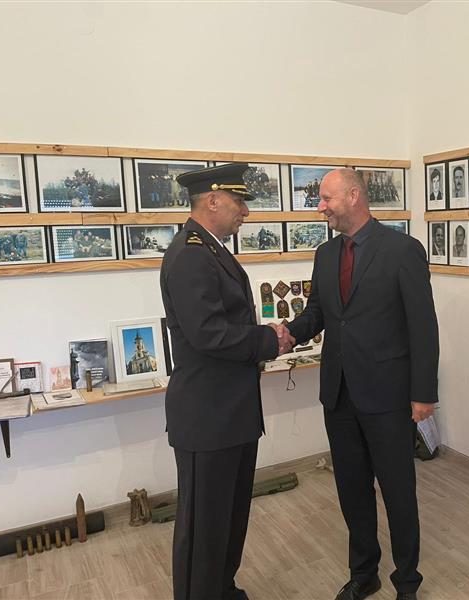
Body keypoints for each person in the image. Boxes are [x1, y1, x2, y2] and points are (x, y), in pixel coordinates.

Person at [276, 168, 439, 600]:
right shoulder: (326, 254)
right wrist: (288, 333)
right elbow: (319, 313)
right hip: (339, 395)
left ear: (353, 196)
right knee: (352, 491)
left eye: (326, 198)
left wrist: (424, 394)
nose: (320, 207)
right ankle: (364, 572)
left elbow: (424, 327)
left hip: (388, 396)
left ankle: (407, 581)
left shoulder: (402, 250)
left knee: (398, 493)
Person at [160, 163, 291, 600]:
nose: (245, 212)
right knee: (204, 529)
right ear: (213, 200)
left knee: (228, 520)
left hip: (229, 414)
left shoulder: (210, 250)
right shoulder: (191, 254)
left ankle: (221, 589)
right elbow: (209, 334)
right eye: (239, 202)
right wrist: (269, 340)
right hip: (208, 417)